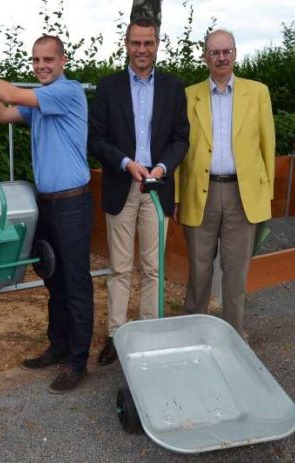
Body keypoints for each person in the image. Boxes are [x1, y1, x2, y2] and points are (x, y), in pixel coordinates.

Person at [0, 35, 94, 394]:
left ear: (63, 60)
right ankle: (58, 346)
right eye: (36, 60)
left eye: (48, 60)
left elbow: (11, 95)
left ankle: (77, 361)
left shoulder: (66, 92)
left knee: (75, 283)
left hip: (72, 203)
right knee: (54, 279)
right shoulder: (41, 102)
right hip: (49, 203)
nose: (41, 66)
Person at [88, 17, 188, 365]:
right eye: (136, 43)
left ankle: (148, 333)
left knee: (152, 268)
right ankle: (116, 336)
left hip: (157, 188)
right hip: (122, 184)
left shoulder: (174, 89)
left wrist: (162, 167)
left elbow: (181, 139)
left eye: (148, 43)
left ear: (157, 45)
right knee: (119, 267)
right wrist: (127, 162)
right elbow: (96, 139)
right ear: (126, 44)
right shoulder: (108, 87)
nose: (142, 50)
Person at [174, 29, 275, 337]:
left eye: (226, 51)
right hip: (198, 194)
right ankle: (193, 332)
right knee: (199, 271)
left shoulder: (257, 92)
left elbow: (267, 145)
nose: (221, 57)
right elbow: (178, 145)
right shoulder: (189, 95)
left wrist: (265, 194)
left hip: (242, 195)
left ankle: (234, 335)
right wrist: (177, 195)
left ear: (235, 53)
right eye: (214, 52)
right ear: (205, 57)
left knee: (236, 271)